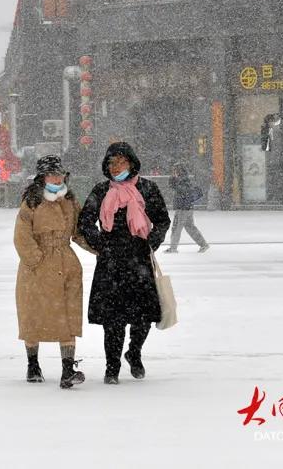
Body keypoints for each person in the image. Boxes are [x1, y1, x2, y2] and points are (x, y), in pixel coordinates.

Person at [77, 142, 171, 385]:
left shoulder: (147, 188)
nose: (116, 166)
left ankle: (134, 352)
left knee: (143, 317)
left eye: (121, 161)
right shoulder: (100, 191)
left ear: (131, 163)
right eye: (112, 162)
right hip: (111, 262)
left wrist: (153, 239)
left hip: (139, 258)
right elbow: (85, 222)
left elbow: (162, 219)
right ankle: (112, 367)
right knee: (113, 320)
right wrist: (100, 243)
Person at [14, 155, 95, 389]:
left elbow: (79, 232)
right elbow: (22, 236)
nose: (57, 178)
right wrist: (37, 260)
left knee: (68, 316)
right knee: (34, 315)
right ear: (42, 177)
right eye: (52, 174)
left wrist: (101, 249)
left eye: (59, 174)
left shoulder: (70, 200)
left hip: (66, 263)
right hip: (36, 269)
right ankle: (32, 364)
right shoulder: (31, 202)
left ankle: (68, 369)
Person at [165, 163, 209, 253]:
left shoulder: (183, 180)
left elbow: (182, 191)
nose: (174, 172)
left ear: (179, 170)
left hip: (183, 208)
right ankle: (203, 244)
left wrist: (173, 182)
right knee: (190, 227)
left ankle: (173, 248)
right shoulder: (184, 179)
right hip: (187, 208)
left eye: (175, 170)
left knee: (176, 227)